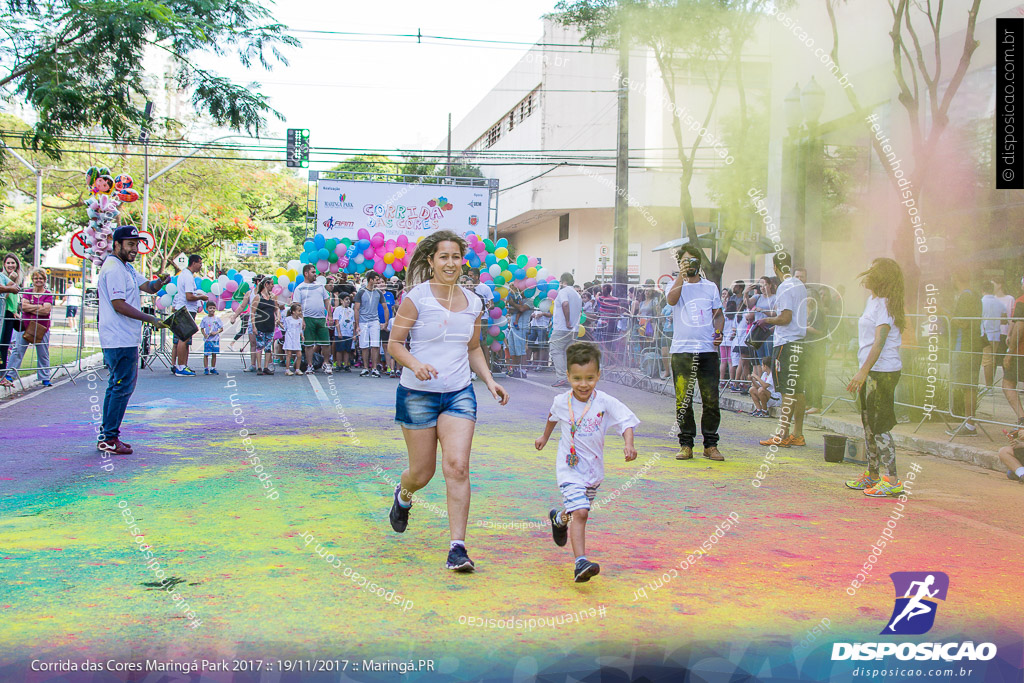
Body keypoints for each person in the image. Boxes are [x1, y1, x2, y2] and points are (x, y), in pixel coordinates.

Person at [386, 230, 510, 573]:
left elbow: (472, 347)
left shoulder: (473, 302)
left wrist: (489, 380)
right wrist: (415, 364)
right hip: (417, 394)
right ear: (431, 261)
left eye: (456, 257)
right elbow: (395, 344)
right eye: (444, 257)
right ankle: (403, 495)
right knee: (422, 473)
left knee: (456, 467)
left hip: (458, 393)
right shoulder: (416, 297)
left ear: (462, 261)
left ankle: (457, 547)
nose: (451, 263)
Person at [535, 342, 638, 582]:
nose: (584, 384)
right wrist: (544, 437)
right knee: (580, 512)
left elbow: (626, 420)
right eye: (577, 378)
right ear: (568, 376)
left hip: (593, 471)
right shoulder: (562, 401)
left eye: (590, 378)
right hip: (569, 469)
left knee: (576, 512)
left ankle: (559, 519)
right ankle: (580, 562)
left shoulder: (604, 402)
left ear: (598, 375)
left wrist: (629, 444)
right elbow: (552, 417)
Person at [94, 226, 170, 454]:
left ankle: (108, 433)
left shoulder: (125, 267)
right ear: (116, 244)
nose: (135, 249)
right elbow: (118, 304)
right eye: (130, 244)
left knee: (117, 386)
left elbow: (148, 286)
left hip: (124, 337)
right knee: (121, 387)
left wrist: (160, 282)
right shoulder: (114, 269)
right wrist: (150, 318)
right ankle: (109, 437)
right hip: (118, 338)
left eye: (136, 244)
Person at [844, 258, 905, 497]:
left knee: (880, 426)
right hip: (871, 371)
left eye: (872, 270)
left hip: (883, 372)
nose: (866, 274)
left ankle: (892, 480)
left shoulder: (886, 305)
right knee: (868, 424)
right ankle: (872, 475)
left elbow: (879, 343)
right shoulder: (874, 301)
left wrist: (863, 371)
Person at [666, 244, 725, 461]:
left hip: (707, 351)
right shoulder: (674, 285)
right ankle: (686, 444)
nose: (689, 264)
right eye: (684, 261)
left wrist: (719, 331)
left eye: (692, 260)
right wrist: (681, 276)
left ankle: (710, 445)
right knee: (684, 400)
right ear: (680, 263)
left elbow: (718, 315)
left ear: (699, 262)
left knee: (711, 399)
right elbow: (671, 300)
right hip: (682, 351)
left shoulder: (710, 287)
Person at [759, 251, 808, 448]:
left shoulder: (785, 286)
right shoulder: (799, 284)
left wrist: (766, 320)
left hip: (786, 343)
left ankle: (782, 434)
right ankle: (798, 433)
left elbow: (786, 318)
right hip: (799, 342)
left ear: (775, 268)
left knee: (787, 390)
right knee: (797, 389)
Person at [3, 267, 56, 387]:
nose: (38, 280)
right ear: (32, 279)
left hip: (42, 327)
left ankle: (45, 377)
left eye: (41, 278)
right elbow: (24, 307)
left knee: (43, 353)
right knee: (18, 350)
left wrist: (32, 306)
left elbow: (46, 310)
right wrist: (39, 306)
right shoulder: (27, 292)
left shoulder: (48, 294)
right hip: (25, 326)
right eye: (36, 278)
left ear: (45, 280)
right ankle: (9, 375)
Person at [947, 272, 984, 437]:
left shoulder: (966, 296)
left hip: (965, 346)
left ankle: (969, 423)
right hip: (971, 345)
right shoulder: (974, 295)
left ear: (955, 277)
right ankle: (968, 422)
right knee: (968, 385)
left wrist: (944, 313)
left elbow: (963, 323)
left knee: (968, 385)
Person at [292, 265, 333, 375]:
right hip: (308, 319)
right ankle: (309, 365)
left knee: (326, 343)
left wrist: (330, 315)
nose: (315, 274)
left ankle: (326, 363)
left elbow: (327, 300)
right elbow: (296, 305)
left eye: (315, 272)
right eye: (313, 272)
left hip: (320, 318)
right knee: (308, 344)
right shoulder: (299, 288)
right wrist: (302, 320)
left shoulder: (320, 286)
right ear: (306, 273)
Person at [171, 254, 208, 376]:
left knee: (186, 339)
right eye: (200, 263)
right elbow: (189, 296)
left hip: (188, 309)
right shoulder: (187, 276)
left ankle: (184, 365)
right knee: (183, 338)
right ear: (194, 263)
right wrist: (201, 297)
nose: (201, 266)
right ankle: (181, 366)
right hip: (185, 309)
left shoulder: (187, 275)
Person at [550, 273, 583, 388]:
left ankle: (561, 377)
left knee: (555, 349)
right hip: (574, 328)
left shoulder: (564, 292)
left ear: (563, 281)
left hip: (562, 327)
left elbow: (565, 304)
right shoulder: (577, 294)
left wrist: (567, 321)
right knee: (567, 353)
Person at [354, 271, 386, 377]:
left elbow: (385, 307)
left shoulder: (379, 292)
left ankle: (374, 368)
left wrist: (385, 322)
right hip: (363, 321)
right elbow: (356, 309)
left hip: (374, 321)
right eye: (376, 279)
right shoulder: (361, 292)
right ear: (371, 279)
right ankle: (365, 368)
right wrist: (357, 325)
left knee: (375, 344)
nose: (378, 281)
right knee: (364, 345)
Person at [1002, 276, 1024, 426]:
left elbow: (1020, 325)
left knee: (1008, 383)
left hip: (1021, 351)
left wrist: (1010, 352)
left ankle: (1022, 418)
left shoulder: (1021, 301)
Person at [229, 275, 263, 372]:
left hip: (264, 321)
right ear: (256, 282)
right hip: (252, 320)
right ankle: (253, 364)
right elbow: (242, 306)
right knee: (253, 343)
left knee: (263, 343)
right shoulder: (249, 293)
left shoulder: (267, 293)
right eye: (261, 281)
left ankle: (265, 365)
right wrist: (234, 316)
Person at [0, 253, 25, 373]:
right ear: (4, 264)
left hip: (11, 313)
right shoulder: (3, 278)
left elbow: (15, 299)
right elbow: (4, 296)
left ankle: (3, 372)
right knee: (2, 344)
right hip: (3, 314)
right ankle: (1, 373)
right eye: (8, 263)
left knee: (6, 345)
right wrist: (11, 284)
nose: (10, 265)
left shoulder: (17, 278)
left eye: (13, 263)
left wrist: (16, 311)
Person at [250, 277, 279, 375]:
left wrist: (278, 317)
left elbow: (276, 308)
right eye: (271, 284)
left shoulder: (273, 296)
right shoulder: (258, 297)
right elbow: (253, 312)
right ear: (266, 284)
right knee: (260, 345)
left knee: (268, 346)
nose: (273, 286)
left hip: (270, 325)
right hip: (260, 324)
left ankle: (266, 366)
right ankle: (259, 367)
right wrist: (253, 326)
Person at [505, 280, 533, 379]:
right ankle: (516, 369)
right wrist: (511, 304)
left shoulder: (530, 300)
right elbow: (512, 310)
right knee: (513, 349)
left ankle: (523, 370)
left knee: (521, 350)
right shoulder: (517, 298)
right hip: (513, 326)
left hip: (521, 327)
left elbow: (521, 309)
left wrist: (513, 303)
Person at [981, 281, 1005, 388]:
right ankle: (990, 386)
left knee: (987, 361)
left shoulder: (980, 302)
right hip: (996, 334)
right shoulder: (999, 303)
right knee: (993, 360)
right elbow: (1004, 320)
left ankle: (989, 387)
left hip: (985, 334)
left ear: (982, 290)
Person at [200, 301, 223, 375]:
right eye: (210, 308)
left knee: (214, 354)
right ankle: (206, 368)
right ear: (207, 309)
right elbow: (202, 328)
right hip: (208, 340)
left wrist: (216, 332)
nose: (212, 310)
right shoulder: (204, 319)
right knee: (206, 354)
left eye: (213, 308)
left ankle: (213, 367)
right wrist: (204, 335)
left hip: (215, 340)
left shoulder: (217, 319)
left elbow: (221, 328)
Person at [333, 294, 355, 371]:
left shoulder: (351, 310)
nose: (348, 301)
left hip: (349, 333)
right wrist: (339, 332)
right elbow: (336, 320)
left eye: (349, 299)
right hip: (341, 332)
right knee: (339, 349)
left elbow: (353, 322)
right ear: (341, 301)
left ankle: (346, 364)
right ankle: (339, 364)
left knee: (347, 350)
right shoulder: (338, 309)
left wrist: (354, 334)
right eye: (346, 299)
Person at [283, 302, 304, 375]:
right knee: (289, 354)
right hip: (289, 336)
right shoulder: (288, 319)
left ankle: (297, 369)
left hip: (296, 337)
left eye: (300, 311)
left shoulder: (300, 320)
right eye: (298, 311)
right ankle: (287, 369)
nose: (300, 312)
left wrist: (302, 335)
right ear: (293, 311)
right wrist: (279, 323)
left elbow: (300, 329)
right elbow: (285, 328)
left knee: (299, 354)